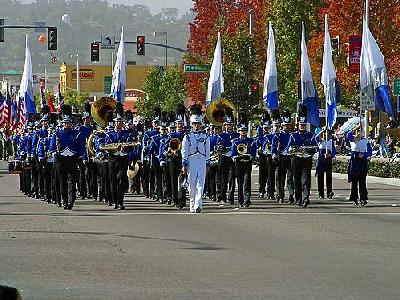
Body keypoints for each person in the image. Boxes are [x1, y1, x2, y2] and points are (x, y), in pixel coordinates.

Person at [49, 105, 85, 210]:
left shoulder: (76, 133)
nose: (66, 124)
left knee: (72, 181)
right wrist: (55, 153)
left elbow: (81, 146)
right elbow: (51, 146)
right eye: (65, 122)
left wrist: (80, 156)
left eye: (68, 122)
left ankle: (71, 199)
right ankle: (65, 200)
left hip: (72, 159)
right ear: (62, 123)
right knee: (62, 181)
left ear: (71, 123)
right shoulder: (57, 133)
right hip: (61, 159)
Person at [103, 103, 136, 210]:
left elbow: (132, 147)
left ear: (122, 123)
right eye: (117, 122)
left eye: (120, 122)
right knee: (113, 181)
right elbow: (106, 147)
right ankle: (115, 201)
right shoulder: (110, 134)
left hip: (123, 158)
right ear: (114, 123)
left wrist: (125, 149)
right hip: (112, 159)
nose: (118, 124)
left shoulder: (127, 134)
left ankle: (120, 201)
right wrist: (114, 148)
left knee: (122, 179)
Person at [286, 104, 317, 207]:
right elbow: (289, 148)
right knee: (297, 180)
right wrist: (293, 149)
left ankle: (306, 198)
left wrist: (310, 151)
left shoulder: (310, 135)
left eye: (304, 125)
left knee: (306, 179)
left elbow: (314, 147)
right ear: (298, 125)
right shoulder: (293, 135)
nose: (302, 127)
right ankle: (298, 197)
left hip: (306, 159)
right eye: (301, 125)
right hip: (296, 159)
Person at [181, 104, 210, 213]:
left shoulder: (205, 136)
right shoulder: (187, 136)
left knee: (200, 183)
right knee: (191, 183)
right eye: (194, 124)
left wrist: (207, 163)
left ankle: (198, 204)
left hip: (201, 160)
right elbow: (184, 151)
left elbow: (207, 150)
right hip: (191, 160)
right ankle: (192, 204)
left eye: (198, 124)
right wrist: (184, 164)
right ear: (191, 124)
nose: (196, 126)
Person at [230, 113, 256, 207]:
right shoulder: (235, 141)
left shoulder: (251, 141)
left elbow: (253, 153)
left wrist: (249, 156)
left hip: (247, 163)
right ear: (239, 131)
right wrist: (235, 158)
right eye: (242, 130)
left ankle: (247, 200)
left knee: (247, 182)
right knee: (240, 182)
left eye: (245, 130)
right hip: (239, 164)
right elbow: (232, 154)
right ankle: (240, 199)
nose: (243, 132)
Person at [271, 109, 294, 204]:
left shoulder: (293, 135)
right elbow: (273, 146)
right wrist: (274, 156)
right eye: (285, 125)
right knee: (280, 178)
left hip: (290, 157)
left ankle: (291, 195)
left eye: (288, 125)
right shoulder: (277, 135)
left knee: (290, 178)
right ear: (282, 126)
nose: (287, 127)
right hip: (280, 157)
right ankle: (280, 195)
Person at [346, 125, 372, 206]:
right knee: (354, 181)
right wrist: (355, 128)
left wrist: (364, 155)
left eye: (360, 131)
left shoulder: (365, 141)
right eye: (357, 131)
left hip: (362, 161)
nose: (358, 133)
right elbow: (348, 135)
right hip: (354, 160)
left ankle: (363, 198)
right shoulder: (352, 140)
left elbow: (370, 151)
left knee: (362, 181)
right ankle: (354, 198)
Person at [217, 108, 239, 204]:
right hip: (224, 158)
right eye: (227, 124)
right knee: (223, 178)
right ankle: (222, 195)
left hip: (233, 159)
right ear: (224, 125)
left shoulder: (237, 135)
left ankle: (231, 197)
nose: (229, 126)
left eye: (230, 124)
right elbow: (217, 146)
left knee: (232, 178)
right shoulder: (221, 135)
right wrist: (221, 148)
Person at [314, 127, 335, 199]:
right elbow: (316, 137)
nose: (325, 134)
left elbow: (334, 152)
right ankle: (321, 193)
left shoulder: (330, 141)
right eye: (324, 133)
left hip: (328, 159)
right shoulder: (319, 141)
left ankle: (329, 192)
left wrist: (330, 155)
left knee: (329, 177)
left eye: (326, 133)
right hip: (321, 160)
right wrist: (323, 130)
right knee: (320, 177)